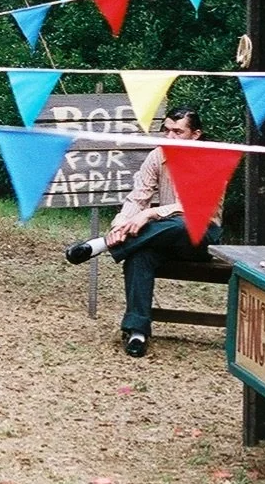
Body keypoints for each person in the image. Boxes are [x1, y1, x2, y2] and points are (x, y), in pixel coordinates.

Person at [63, 106, 218, 357]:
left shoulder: (211, 159)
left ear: (196, 135)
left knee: (180, 223)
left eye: (178, 132)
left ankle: (101, 245)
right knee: (139, 254)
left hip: (200, 236)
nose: (169, 137)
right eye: (166, 130)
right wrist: (120, 225)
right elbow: (138, 197)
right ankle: (137, 331)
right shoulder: (158, 156)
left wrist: (149, 214)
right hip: (163, 236)